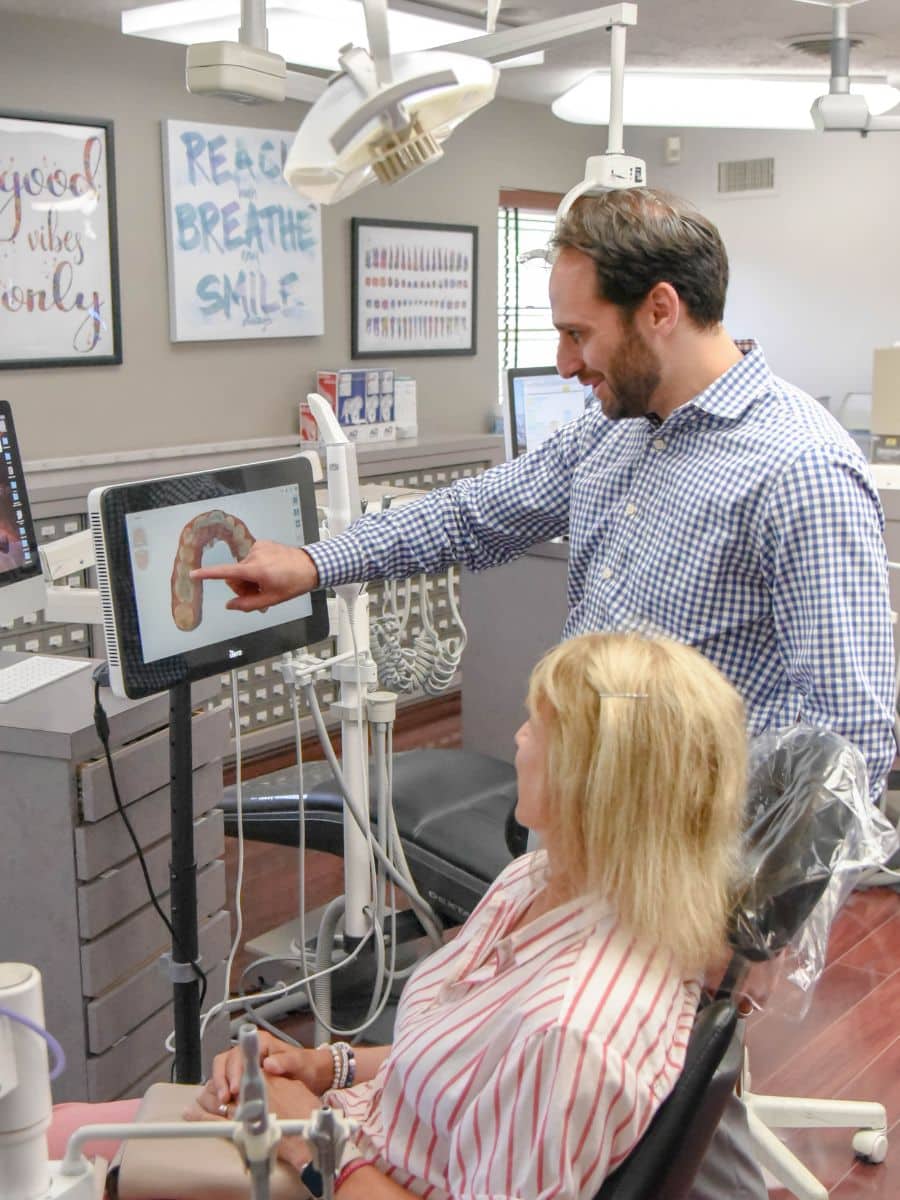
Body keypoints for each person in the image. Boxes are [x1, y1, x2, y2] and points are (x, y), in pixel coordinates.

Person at [193, 187, 896, 807]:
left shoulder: (801, 470)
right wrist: (315, 564)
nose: (563, 364)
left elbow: (851, 739)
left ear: (659, 309)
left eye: (577, 334)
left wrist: (753, 919)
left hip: (689, 860)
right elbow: (469, 515)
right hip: (576, 802)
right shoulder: (611, 430)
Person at [186, 631, 747, 1199]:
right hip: (353, 1134)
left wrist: (308, 1137)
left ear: (587, 782)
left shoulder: (571, 1033)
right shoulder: (537, 882)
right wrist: (324, 1067)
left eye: (536, 726)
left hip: (338, 1169)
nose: (518, 738)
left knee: (104, 1150)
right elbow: (462, 1063)